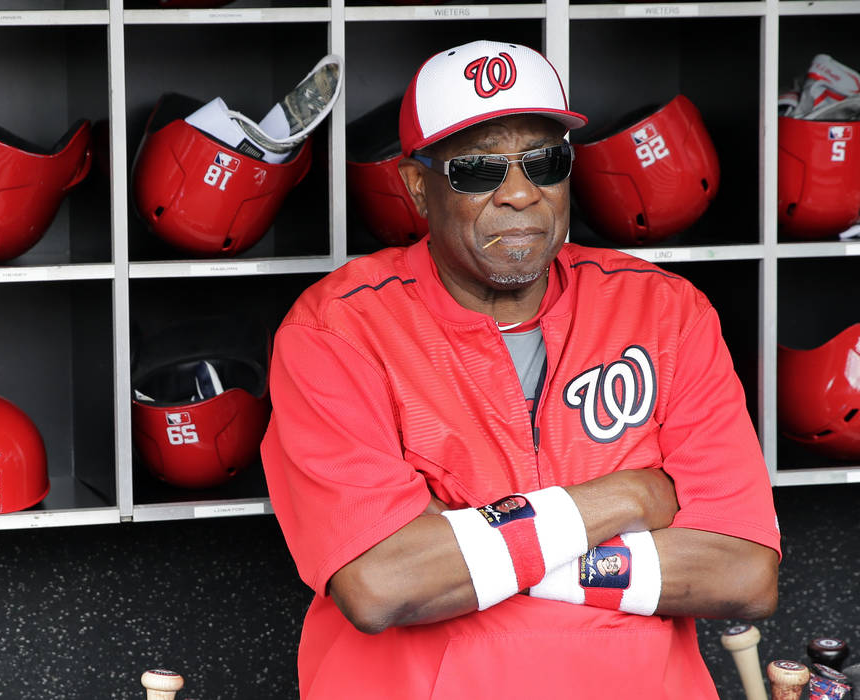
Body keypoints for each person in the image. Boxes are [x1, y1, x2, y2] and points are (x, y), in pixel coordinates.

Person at [261, 39, 781, 698]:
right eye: (477, 170)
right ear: (417, 186)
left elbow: (743, 575)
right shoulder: (337, 331)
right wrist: (629, 498)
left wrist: (466, 543)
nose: (519, 194)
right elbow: (382, 586)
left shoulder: (664, 313)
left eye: (545, 162)